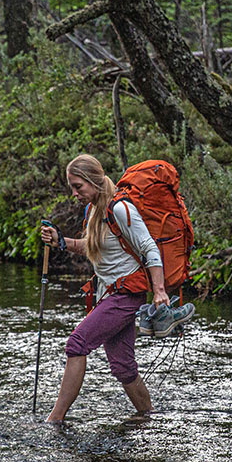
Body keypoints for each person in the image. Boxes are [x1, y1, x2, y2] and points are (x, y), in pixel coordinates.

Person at [39, 154, 193, 423]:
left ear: (94, 181)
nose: (74, 193)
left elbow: (149, 248)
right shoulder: (93, 210)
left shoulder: (120, 209)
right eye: (72, 187)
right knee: (123, 366)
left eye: (78, 186)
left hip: (125, 295)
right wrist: (61, 241)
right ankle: (148, 417)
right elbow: (93, 246)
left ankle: (54, 421)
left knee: (77, 344)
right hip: (108, 294)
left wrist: (159, 291)